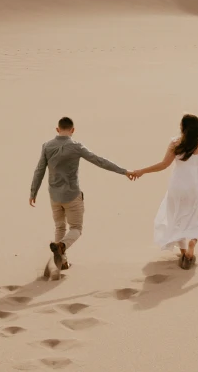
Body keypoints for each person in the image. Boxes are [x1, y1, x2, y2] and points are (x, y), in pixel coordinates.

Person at [131, 114, 198, 269]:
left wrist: (142, 171)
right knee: (197, 217)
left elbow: (163, 164)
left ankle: (183, 252)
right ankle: (192, 242)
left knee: (177, 217)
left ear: (183, 128)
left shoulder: (176, 143)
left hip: (178, 186)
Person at [30, 116, 134, 276]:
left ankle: (62, 262)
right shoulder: (76, 146)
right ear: (72, 130)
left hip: (54, 196)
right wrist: (124, 171)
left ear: (57, 130)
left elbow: (39, 170)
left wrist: (33, 192)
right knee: (76, 228)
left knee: (59, 227)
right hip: (72, 195)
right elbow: (99, 161)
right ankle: (62, 246)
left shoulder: (47, 146)